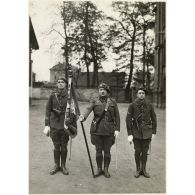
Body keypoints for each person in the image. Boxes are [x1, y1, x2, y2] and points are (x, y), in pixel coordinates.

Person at [79, 83, 120, 178]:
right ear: (98, 91)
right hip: (97, 129)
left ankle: (106, 169)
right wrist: (83, 116)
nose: (102, 91)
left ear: (108, 92)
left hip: (109, 130)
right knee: (98, 150)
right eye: (100, 89)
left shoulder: (112, 102)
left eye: (104, 90)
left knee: (107, 151)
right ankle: (98, 168)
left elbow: (117, 117)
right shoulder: (94, 101)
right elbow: (88, 109)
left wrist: (117, 129)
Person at [44, 77, 76, 175]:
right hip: (54, 125)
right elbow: (47, 110)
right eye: (58, 82)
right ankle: (56, 165)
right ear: (57, 84)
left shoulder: (70, 97)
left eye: (62, 82)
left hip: (65, 126)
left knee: (64, 146)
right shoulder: (53, 96)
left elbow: (74, 112)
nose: (60, 84)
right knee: (56, 146)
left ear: (66, 84)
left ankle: (63, 166)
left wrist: (70, 121)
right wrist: (47, 125)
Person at [126, 87, 157, 178]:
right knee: (137, 151)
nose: (141, 94)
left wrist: (154, 132)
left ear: (145, 95)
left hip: (147, 132)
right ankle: (138, 169)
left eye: (143, 93)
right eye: (139, 93)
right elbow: (128, 120)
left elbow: (154, 119)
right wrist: (130, 133)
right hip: (136, 131)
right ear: (137, 94)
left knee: (145, 151)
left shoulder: (149, 105)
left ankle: (144, 170)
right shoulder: (132, 105)